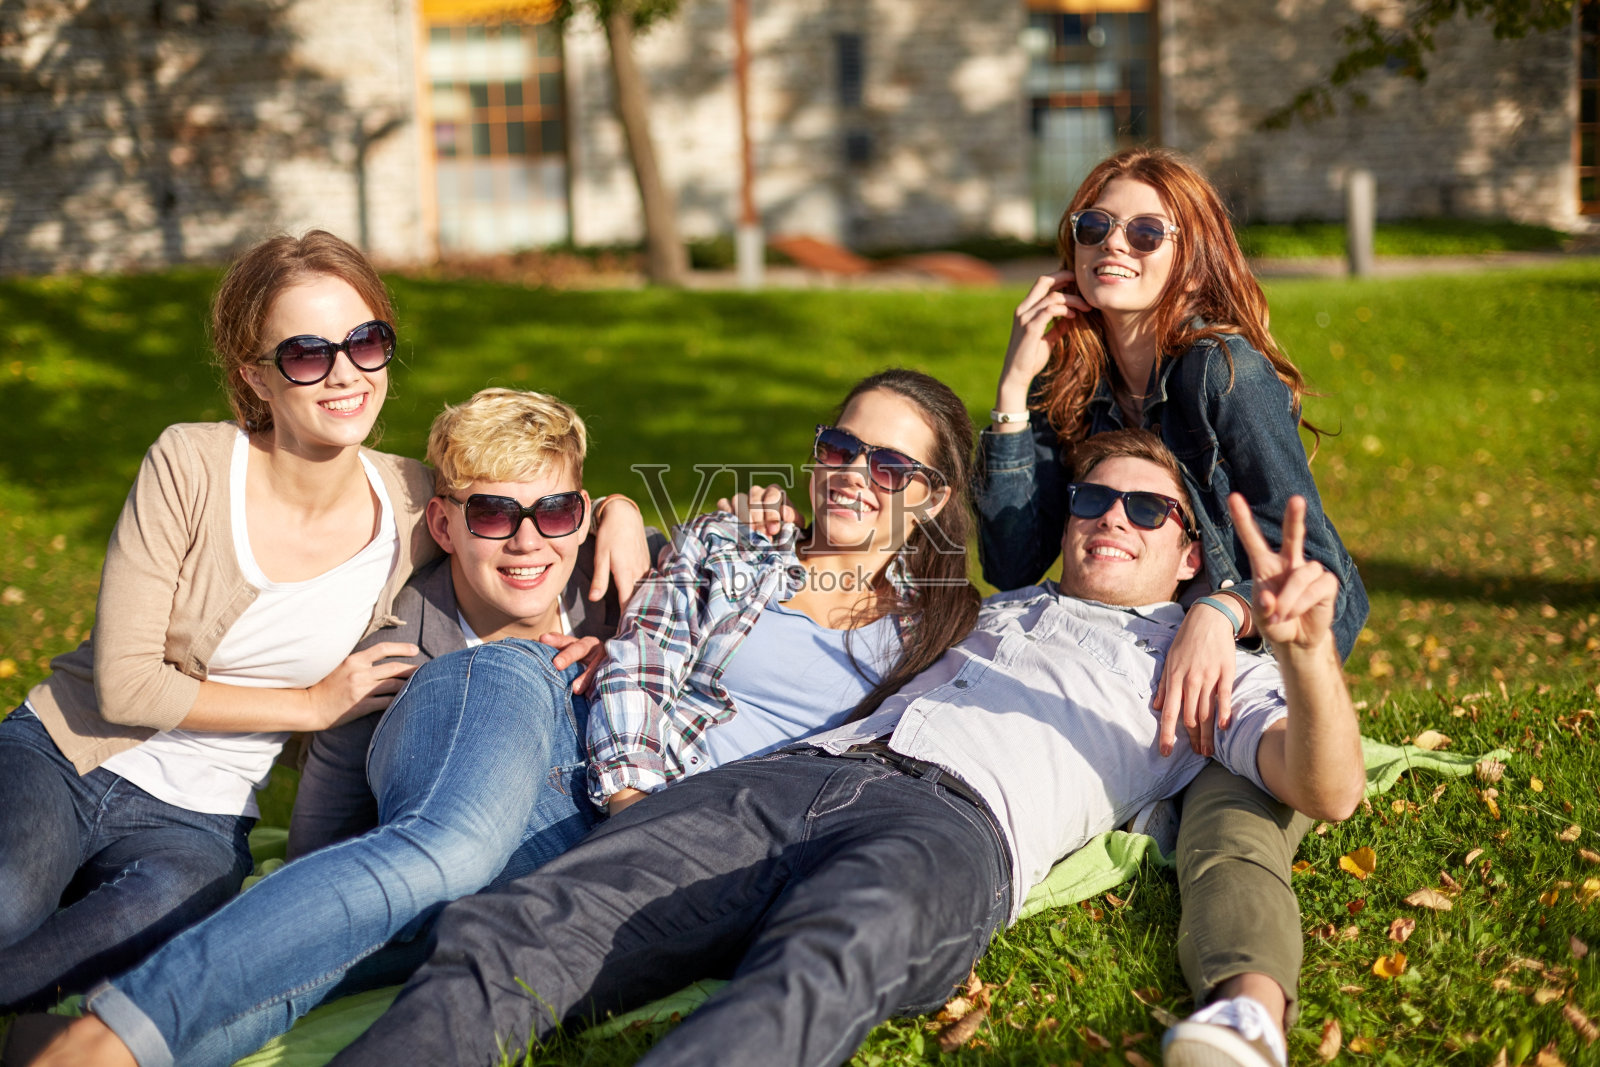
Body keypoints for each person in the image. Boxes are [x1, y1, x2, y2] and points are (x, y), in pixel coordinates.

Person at [292, 428, 1365, 1067]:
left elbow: (1328, 784)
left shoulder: (1195, 656)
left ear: (1188, 553)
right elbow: (774, 581)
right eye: (1094, 496)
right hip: (794, 777)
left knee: (810, 971)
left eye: (1146, 507)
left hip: (955, 831)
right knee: (522, 922)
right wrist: (625, 508)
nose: (1111, 518)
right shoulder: (977, 607)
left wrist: (1304, 650)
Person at [35, 368, 984, 1067]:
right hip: (545, 719)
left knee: (404, 936)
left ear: (937, 495)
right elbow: (644, 663)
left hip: (655, 839)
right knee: (442, 854)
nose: (855, 472)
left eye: (891, 463)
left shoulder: (944, 632)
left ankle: (121, 1039)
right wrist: (634, 798)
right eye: (840, 447)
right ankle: (104, 1038)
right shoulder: (738, 538)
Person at [976, 147, 1369, 1062]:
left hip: (1241, 677)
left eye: (1146, 230)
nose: (1114, 244)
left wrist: (1222, 610)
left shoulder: (1220, 372)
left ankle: (1245, 1015)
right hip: (1117, 664)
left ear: (1190, 255)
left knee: (1229, 835)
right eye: (1094, 226)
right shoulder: (1069, 375)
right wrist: (1008, 397)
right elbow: (1015, 558)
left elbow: (1330, 574)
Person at [0, 231, 438, 1013]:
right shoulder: (192, 464)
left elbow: (529, 513)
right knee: (6, 901)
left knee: (88, 956)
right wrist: (308, 706)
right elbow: (127, 686)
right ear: (255, 377)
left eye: (367, 342)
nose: (346, 373)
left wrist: (611, 513)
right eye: (308, 353)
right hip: (65, 754)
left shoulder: (411, 501)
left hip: (199, 824)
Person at [286, 390, 667, 860]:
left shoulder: (628, 578)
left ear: (583, 513)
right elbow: (319, 849)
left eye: (555, 511)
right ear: (443, 527)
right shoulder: (391, 661)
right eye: (492, 515)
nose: (528, 542)